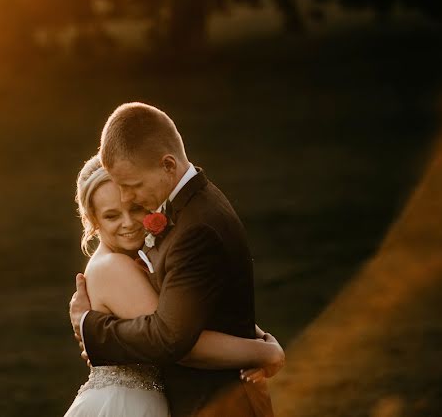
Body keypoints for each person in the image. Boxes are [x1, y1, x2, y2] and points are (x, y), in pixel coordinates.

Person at [69, 102, 283, 417]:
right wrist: (263, 350)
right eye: (112, 214)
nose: (129, 208)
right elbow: (173, 336)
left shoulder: (191, 225)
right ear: (93, 220)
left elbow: (175, 326)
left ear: (168, 165)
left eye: (134, 192)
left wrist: (93, 328)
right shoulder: (116, 265)